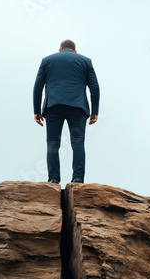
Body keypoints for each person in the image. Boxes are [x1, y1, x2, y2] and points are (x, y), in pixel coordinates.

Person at [33, 39, 100, 184]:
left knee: (52, 143)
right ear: (75, 51)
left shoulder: (47, 61)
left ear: (60, 50)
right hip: (78, 107)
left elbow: (38, 87)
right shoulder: (85, 61)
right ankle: (77, 178)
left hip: (53, 106)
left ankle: (53, 179)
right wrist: (95, 111)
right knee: (78, 143)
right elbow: (94, 88)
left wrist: (37, 110)